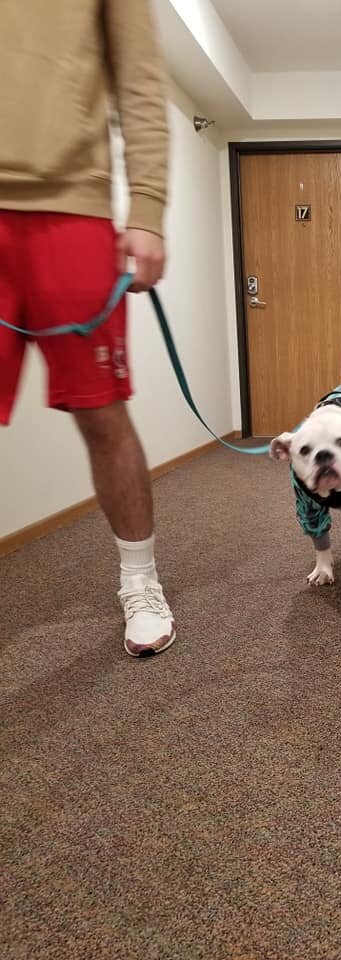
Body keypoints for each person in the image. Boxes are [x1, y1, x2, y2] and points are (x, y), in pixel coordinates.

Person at [0, 1, 176, 657]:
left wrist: (148, 207)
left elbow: (141, 80)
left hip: (72, 206)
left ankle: (140, 582)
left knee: (101, 413)